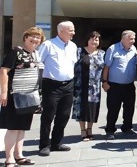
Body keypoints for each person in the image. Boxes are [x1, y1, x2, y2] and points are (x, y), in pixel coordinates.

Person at [0, 27, 45, 165]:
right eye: (32, 36)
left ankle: (19, 156)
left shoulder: (36, 54)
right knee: (13, 128)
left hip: (30, 96)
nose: (35, 39)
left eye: (38, 38)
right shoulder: (16, 52)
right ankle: (9, 159)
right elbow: (3, 71)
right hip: (15, 96)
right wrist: (3, 92)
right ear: (25, 37)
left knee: (22, 127)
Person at [38, 21, 78, 156]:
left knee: (64, 115)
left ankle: (56, 143)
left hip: (68, 85)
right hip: (51, 85)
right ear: (61, 31)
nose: (73, 33)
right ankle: (44, 144)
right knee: (48, 116)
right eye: (70, 30)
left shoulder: (73, 46)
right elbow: (38, 63)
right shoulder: (48, 45)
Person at [102, 30, 137, 140]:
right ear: (123, 38)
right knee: (113, 108)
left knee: (129, 108)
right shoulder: (112, 49)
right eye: (130, 38)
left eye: (134, 39)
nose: (133, 41)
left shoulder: (134, 49)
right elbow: (106, 67)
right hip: (114, 86)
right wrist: (104, 82)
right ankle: (110, 130)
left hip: (129, 85)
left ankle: (127, 127)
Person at [72, 31, 105, 142]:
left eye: (96, 39)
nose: (94, 41)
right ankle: (82, 130)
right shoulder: (79, 51)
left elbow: (105, 68)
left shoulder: (102, 53)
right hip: (80, 85)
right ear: (87, 39)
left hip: (95, 88)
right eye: (92, 39)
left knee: (92, 108)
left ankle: (90, 129)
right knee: (81, 108)